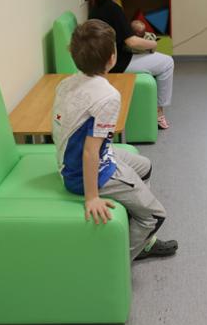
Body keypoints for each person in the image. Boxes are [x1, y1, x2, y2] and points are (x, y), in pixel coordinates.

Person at [52, 19, 177, 260]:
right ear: (112, 58)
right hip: (84, 172)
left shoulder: (66, 83)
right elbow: (90, 152)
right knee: (155, 215)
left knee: (145, 167)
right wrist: (92, 197)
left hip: (71, 161)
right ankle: (117, 263)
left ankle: (137, 232)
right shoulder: (108, 96)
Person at [89, 0, 175, 130]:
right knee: (167, 62)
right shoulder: (114, 9)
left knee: (156, 58)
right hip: (117, 62)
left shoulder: (98, 4)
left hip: (106, 58)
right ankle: (158, 112)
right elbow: (132, 42)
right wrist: (153, 44)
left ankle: (156, 109)